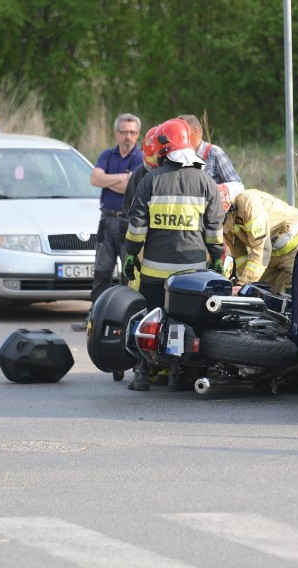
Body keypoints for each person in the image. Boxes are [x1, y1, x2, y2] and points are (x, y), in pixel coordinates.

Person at [123, 118, 226, 390]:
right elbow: (215, 232)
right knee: (190, 320)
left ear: (164, 148)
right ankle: (179, 373)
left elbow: (136, 229)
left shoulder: (149, 182)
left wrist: (131, 256)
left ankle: (142, 373)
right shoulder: (207, 183)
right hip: (192, 275)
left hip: (155, 272)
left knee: (147, 319)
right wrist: (216, 261)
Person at [84, 113, 143, 317]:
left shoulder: (141, 158)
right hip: (106, 220)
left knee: (130, 272)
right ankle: (96, 314)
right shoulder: (107, 155)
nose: (128, 136)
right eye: (124, 132)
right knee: (102, 271)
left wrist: (109, 180)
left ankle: (129, 316)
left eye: (132, 132)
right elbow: (94, 179)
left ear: (138, 134)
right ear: (116, 133)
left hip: (128, 222)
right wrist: (122, 178)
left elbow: (131, 188)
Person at [220, 184, 298, 295]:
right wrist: (242, 281)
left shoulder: (248, 204)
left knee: (291, 294)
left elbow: (262, 248)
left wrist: (243, 283)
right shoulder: (226, 221)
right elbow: (239, 254)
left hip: (294, 245)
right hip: (271, 253)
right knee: (260, 292)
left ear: (227, 208)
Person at [178, 114, 242, 185]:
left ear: (196, 131)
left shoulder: (215, 153)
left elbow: (236, 184)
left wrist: (218, 191)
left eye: (182, 131)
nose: (178, 135)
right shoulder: (177, 155)